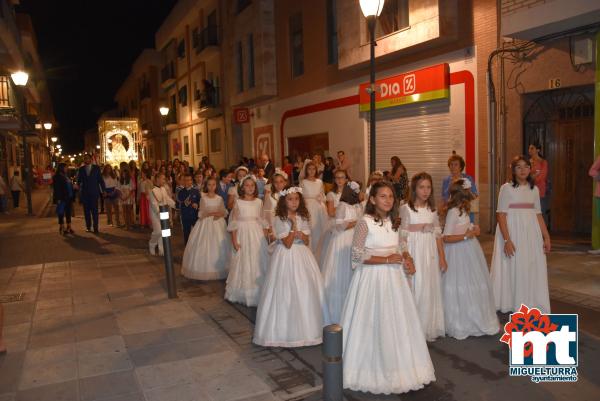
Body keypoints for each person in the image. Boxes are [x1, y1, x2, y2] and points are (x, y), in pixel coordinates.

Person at [340, 181, 434, 394]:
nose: (388, 200)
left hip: (395, 279)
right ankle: (371, 368)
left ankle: (400, 367)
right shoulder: (364, 222)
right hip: (372, 279)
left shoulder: (395, 221)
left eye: (390, 196)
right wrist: (386, 260)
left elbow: (401, 246)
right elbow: (356, 256)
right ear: (372, 199)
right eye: (382, 196)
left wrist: (407, 258)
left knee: (398, 321)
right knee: (374, 322)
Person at [254, 186, 330, 347]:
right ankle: (284, 332)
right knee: (286, 291)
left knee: (305, 289)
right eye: (290, 199)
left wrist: (299, 233)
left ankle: (308, 330)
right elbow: (287, 243)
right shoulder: (280, 219)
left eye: (296, 199)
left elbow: (306, 240)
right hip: (286, 257)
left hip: (303, 255)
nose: (294, 202)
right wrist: (294, 227)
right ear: (284, 201)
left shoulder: (303, 216)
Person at [491, 156, 551, 314]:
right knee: (514, 266)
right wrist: (507, 240)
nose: (523, 170)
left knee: (531, 266)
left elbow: (538, 214)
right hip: (513, 232)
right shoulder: (507, 188)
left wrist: (546, 236)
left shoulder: (534, 189)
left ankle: (531, 301)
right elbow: (501, 215)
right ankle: (513, 302)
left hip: (531, 234)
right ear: (513, 170)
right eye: (519, 167)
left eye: (526, 166)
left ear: (530, 169)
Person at [442, 180, 499, 340]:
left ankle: (474, 316)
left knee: (473, 282)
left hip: (469, 249)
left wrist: (473, 228)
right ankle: (460, 320)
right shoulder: (453, 211)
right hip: (457, 251)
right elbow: (446, 237)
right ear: (463, 195)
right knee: (459, 283)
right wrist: (467, 235)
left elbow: (464, 226)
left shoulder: (463, 209)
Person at [400, 172, 447, 341]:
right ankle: (414, 327)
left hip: (430, 253)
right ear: (414, 189)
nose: (425, 191)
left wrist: (442, 257)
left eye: (428, 187)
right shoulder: (406, 208)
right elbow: (402, 236)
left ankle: (429, 324)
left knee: (429, 285)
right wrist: (406, 255)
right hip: (415, 251)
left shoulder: (432, 210)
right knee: (416, 285)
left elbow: (437, 235)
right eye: (421, 187)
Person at [321, 181, 362, 323]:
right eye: (356, 192)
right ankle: (336, 310)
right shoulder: (343, 206)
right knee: (341, 270)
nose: (358, 194)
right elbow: (339, 225)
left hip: (353, 239)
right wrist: (357, 222)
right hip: (343, 240)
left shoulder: (357, 206)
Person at [225, 176, 269, 306]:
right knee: (244, 260)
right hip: (243, 233)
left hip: (256, 233)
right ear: (242, 188)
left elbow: (261, 219)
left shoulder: (258, 202)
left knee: (257, 259)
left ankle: (259, 290)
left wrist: (266, 235)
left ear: (255, 188)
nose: (250, 188)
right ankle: (243, 290)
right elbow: (234, 222)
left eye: (252, 185)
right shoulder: (238, 202)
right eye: (247, 185)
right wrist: (234, 240)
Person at [182, 176, 230, 280]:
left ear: (216, 186)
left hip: (217, 223)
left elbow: (224, 211)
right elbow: (200, 212)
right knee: (204, 245)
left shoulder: (219, 198)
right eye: (209, 185)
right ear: (206, 186)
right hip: (206, 223)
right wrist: (207, 213)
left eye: (213, 185)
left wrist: (219, 213)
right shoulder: (203, 198)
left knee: (219, 244)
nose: (211, 187)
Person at [300, 162, 328, 255]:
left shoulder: (319, 182)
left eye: (313, 169)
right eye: (309, 169)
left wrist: (321, 199)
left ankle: (319, 251)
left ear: (316, 170)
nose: (311, 171)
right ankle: (310, 252)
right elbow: (301, 197)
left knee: (319, 228)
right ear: (306, 170)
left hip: (319, 207)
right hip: (309, 207)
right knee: (311, 228)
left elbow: (323, 195)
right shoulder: (303, 182)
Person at [441, 153, 478, 222]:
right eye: (451, 164)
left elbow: (475, 196)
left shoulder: (468, 178)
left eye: (456, 164)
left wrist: (467, 190)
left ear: (460, 167)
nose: (453, 167)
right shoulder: (446, 180)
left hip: (466, 212)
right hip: (451, 213)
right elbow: (444, 198)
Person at [76, 154, 106, 233]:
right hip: (85, 193)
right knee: (86, 211)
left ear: (91, 159)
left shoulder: (96, 168)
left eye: (87, 158)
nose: (86, 160)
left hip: (94, 193)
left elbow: (100, 180)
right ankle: (88, 227)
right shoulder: (81, 169)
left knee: (95, 211)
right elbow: (79, 181)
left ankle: (96, 228)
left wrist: (104, 190)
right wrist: (77, 186)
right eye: (85, 158)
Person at [149, 173, 176, 256]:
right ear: (157, 179)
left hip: (164, 213)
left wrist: (175, 205)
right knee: (158, 231)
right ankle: (152, 244)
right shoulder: (152, 190)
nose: (164, 181)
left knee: (164, 232)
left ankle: (162, 249)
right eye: (163, 179)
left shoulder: (163, 189)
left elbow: (167, 199)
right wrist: (159, 213)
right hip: (155, 214)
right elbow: (154, 205)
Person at [263, 170, 289, 242]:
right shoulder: (270, 196)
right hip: (275, 226)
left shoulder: (289, 195)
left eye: (281, 181)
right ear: (273, 184)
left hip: (287, 225)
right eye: (276, 182)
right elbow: (266, 215)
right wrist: (270, 231)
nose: (278, 184)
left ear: (285, 183)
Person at [528, 143, 549, 226]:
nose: (529, 150)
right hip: (529, 191)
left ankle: (542, 234)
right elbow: (525, 176)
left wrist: (532, 178)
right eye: (529, 148)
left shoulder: (543, 162)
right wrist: (532, 176)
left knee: (540, 212)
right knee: (530, 213)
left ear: (538, 150)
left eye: (532, 148)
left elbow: (542, 177)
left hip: (540, 191)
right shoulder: (528, 162)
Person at [177, 174, 201, 244]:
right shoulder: (181, 192)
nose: (187, 182)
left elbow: (200, 201)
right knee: (186, 232)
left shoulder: (196, 191)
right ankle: (186, 246)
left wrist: (197, 204)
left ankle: (197, 245)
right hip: (185, 215)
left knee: (197, 231)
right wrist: (184, 203)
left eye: (189, 180)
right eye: (185, 180)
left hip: (195, 215)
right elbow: (179, 203)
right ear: (183, 182)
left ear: (191, 181)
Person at [52, 163, 75, 235]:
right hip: (62, 198)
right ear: (61, 168)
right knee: (61, 212)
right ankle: (62, 227)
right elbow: (57, 189)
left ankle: (69, 226)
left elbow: (69, 185)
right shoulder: (57, 177)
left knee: (68, 212)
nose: (67, 168)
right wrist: (58, 198)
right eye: (65, 167)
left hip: (68, 197)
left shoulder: (66, 176)